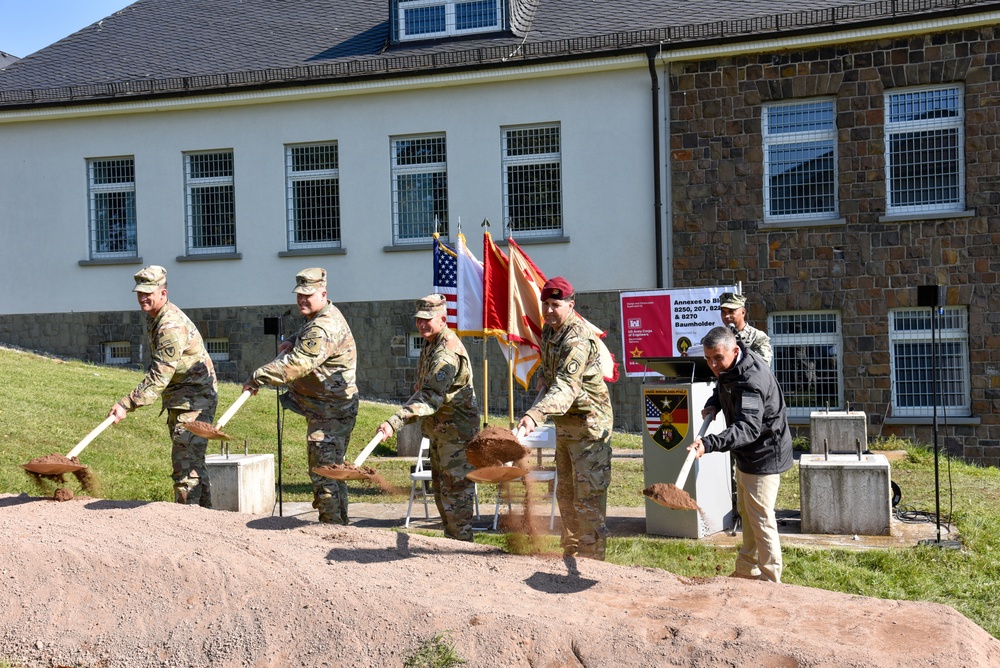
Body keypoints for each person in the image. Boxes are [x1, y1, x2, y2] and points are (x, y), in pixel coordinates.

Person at [243, 268, 358, 525]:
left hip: (331, 413)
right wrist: (293, 339)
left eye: (308, 295)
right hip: (329, 408)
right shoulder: (321, 315)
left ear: (323, 293)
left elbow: (296, 365)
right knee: (333, 472)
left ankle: (332, 530)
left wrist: (257, 376)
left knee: (324, 474)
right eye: (299, 295)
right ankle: (341, 526)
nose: (302, 300)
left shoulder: (323, 327)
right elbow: (307, 337)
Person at [516, 277, 613, 560]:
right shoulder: (550, 330)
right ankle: (571, 551)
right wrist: (545, 374)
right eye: (545, 304)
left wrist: (535, 414)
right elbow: (554, 371)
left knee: (587, 497)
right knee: (567, 494)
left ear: (570, 305)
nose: (548, 310)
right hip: (566, 426)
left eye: (555, 304)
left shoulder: (577, 339)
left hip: (589, 427)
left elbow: (567, 387)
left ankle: (592, 559)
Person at [688, 326, 792, 582]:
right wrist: (714, 403)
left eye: (717, 358)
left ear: (734, 351)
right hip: (747, 454)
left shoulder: (751, 381)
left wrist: (708, 443)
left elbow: (748, 428)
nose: (712, 364)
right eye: (708, 358)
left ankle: (770, 579)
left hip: (765, 455)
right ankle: (746, 572)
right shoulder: (731, 365)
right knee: (747, 514)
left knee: (761, 519)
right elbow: (724, 384)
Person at [108, 265, 218, 507]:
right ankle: (207, 518)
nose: (143, 297)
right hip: (183, 397)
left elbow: (160, 375)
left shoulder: (169, 326)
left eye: (149, 292)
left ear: (163, 294)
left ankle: (188, 521)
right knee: (192, 461)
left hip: (194, 400)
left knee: (186, 465)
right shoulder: (155, 317)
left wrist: (126, 403)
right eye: (140, 292)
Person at [376, 294, 479, 542]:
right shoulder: (431, 342)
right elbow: (427, 388)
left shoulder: (445, 353)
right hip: (441, 433)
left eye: (427, 320)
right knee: (442, 493)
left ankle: (464, 552)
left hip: (456, 436)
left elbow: (430, 399)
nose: (421, 324)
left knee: (455, 496)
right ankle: (453, 546)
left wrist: (395, 422)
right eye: (418, 320)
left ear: (443, 319)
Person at [718, 292, 772, 365]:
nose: (726, 316)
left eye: (731, 311)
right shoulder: (718, 337)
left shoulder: (757, 337)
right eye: (723, 312)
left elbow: (762, 366)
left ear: (743, 313)